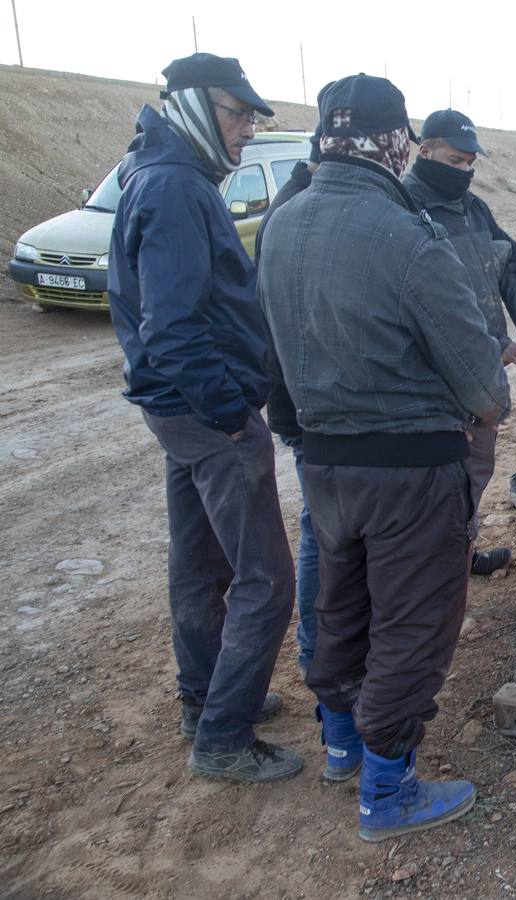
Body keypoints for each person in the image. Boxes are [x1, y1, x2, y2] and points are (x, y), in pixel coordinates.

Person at [257, 74, 509, 840]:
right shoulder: (408, 238)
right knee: (411, 625)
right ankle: (387, 793)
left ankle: (340, 745)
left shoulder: (281, 224)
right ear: (398, 143)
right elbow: (485, 389)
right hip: (411, 472)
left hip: (324, 466)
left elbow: (272, 360)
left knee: (341, 608)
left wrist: (304, 436)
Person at [107, 52, 301, 782]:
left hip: (175, 408)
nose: (247, 128)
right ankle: (222, 736)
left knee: (199, 562)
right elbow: (173, 325)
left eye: (251, 116)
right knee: (266, 579)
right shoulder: (174, 186)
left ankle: (203, 698)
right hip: (204, 412)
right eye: (236, 112)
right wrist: (229, 412)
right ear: (192, 105)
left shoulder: (161, 172)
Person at [402, 108, 516, 572]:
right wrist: (496, 342)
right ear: (424, 150)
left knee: (477, 467)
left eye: (470, 163)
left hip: (481, 375)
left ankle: (460, 554)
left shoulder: (474, 209)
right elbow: (430, 304)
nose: (464, 172)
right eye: (454, 161)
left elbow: (508, 260)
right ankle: (435, 570)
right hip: (434, 379)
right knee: (438, 481)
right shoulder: (406, 210)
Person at [254, 123, 321, 675]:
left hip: (303, 403)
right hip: (306, 408)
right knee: (322, 530)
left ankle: (320, 651)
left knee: (325, 527)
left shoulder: (299, 203)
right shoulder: (296, 212)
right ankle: (315, 654)